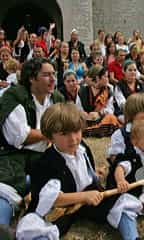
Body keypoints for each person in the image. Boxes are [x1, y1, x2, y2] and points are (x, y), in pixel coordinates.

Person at [25, 103, 142, 240]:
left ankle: (132, 237)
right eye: (64, 134)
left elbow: (86, 171)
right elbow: (52, 199)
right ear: (50, 137)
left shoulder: (82, 148)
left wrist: (94, 176)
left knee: (121, 203)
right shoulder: (46, 163)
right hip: (65, 206)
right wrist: (84, 196)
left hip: (88, 197)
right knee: (38, 228)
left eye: (76, 131)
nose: (73, 139)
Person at [0, 58, 64, 233]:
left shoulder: (56, 98)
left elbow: (67, 126)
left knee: (63, 180)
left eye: (54, 74)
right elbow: (20, 136)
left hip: (46, 154)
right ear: (31, 78)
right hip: (14, 154)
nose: (52, 79)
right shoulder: (14, 96)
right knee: (7, 186)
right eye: (46, 75)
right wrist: (52, 132)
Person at [78, 65, 121, 137]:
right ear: (98, 78)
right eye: (105, 76)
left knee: (111, 118)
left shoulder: (109, 90)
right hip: (85, 119)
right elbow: (78, 107)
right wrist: (84, 114)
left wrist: (99, 114)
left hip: (101, 119)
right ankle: (92, 130)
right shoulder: (83, 90)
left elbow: (110, 109)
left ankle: (88, 131)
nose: (108, 79)